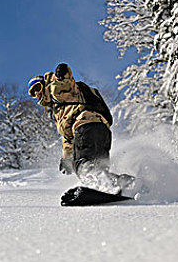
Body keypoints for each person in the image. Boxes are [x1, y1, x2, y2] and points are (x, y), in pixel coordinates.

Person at [28, 63, 134, 194]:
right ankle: (128, 185)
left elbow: (67, 81)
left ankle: (108, 187)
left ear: (44, 84)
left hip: (86, 126)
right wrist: (66, 158)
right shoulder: (58, 112)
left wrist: (61, 73)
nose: (37, 94)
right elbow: (67, 138)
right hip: (101, 131)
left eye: (37, 88)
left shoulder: (56, 89)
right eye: (33, 93)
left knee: (83, 166)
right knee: (98, 169)